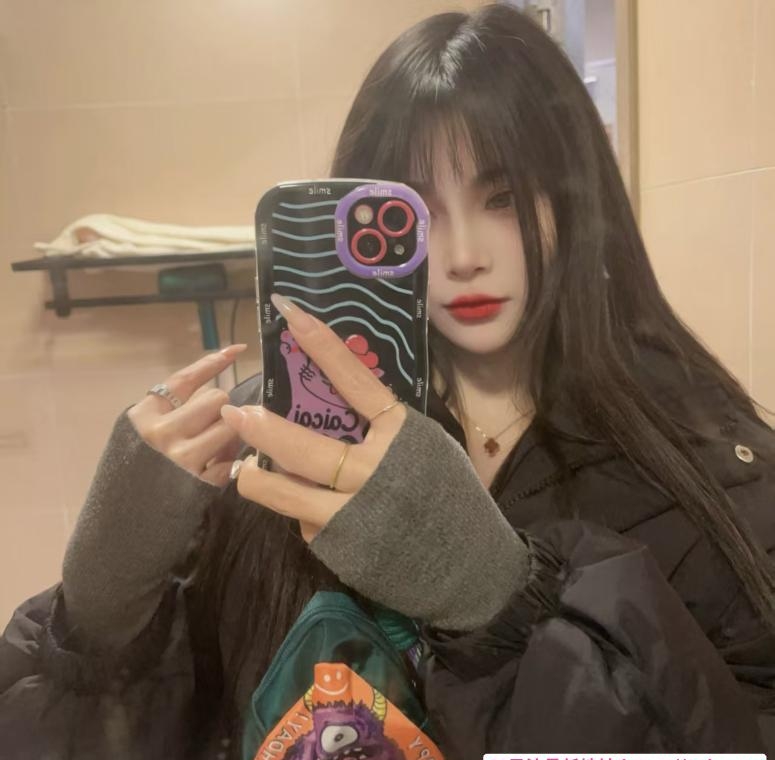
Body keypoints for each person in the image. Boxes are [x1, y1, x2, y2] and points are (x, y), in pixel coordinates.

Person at [2, 4, 774, 759]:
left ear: (576, 203)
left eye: (502, 200)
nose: (463, 255)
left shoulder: (707, 470)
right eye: (418, 214)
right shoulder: (277, 437)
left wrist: (501, 603)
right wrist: (96, 624)